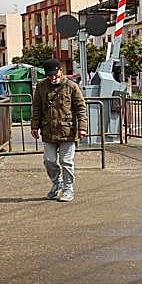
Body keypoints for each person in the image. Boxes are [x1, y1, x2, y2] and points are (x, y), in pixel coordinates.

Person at [30, 59, 87, 202]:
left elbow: (81, 108)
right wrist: (34, 126)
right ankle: (57, 183)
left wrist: (82, 127)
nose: (53, 78)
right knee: (49, 160)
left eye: (55, 74)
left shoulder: (71, 86)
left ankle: (68, 189)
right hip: (48, 130)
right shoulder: (41, 86)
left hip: (67, 130)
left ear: (61, 71)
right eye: (50, 75)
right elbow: (36, 107)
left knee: (66, 161)